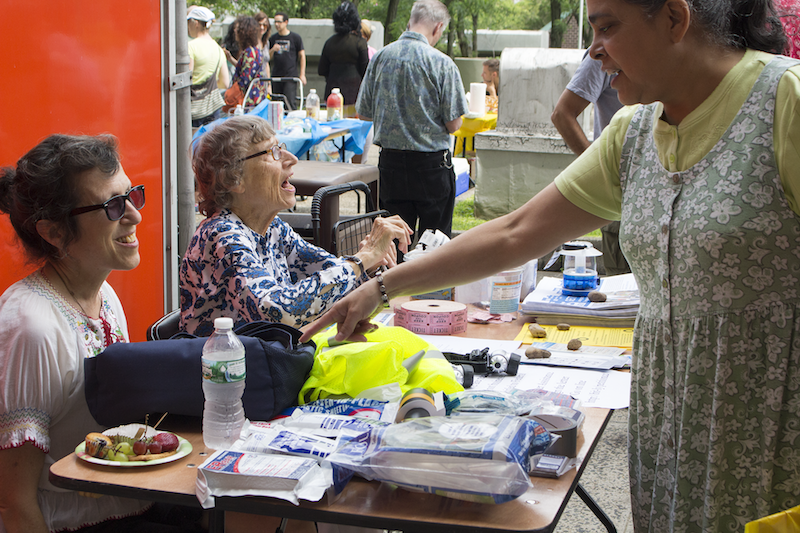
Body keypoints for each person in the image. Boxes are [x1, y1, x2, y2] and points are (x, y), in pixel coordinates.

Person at [303, 0, 800, 530]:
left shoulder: (782, 100)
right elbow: (516, 232)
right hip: (670, 415)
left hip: (768, 415)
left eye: (608, 27)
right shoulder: (634, 133)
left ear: (675, 19)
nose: (594, 49)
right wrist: (379, 289)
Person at [0, 134, 200, 532]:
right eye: (112, 205)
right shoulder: (31, 326)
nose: (135, 215)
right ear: (54, 232)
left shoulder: (104, 296)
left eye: (132, 195)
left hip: (130, 503)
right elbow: (13, 503)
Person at [179, 115, 412, 336]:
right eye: (273, 152)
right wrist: (363, 259)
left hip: (268, 365)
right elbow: (279, 311)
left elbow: (333, 281)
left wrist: (370, 266)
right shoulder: (222, 236)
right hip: (226, 374)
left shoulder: (273, 229)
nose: (292, 159)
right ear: (233, 179)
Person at [356, 0, 468, 240]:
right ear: (438, 28)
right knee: (433, 245)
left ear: (410, 21)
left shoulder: (380, 57)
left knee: (391, 244)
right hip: (431, 167)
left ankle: (390, 279)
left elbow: (364, 112)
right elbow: (454, 124)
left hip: (391, 165)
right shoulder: (442, 63)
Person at [551, 52, 630, 275]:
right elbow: (562, 114)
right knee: (622, 289)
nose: (595, 46)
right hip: (620, 192)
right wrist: (599, 168)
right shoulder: (603, 53)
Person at [318, 1, 369, 117]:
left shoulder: (329, 42)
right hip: (354, 97)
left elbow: (321, 70)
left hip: (331, 97)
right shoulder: (360, 43)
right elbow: (366, 71)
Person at [187, 6, 229, 128]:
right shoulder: (218, 49)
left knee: (193, 145)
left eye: (188, 22)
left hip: (193, 109)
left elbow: (187, 78)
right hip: (213, 108)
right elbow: (225, 83)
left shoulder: (191, 46)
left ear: (195, 23)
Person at [228, 16, 267, 111]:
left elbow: (245, 80)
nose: (235, 31)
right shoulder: (254, 50)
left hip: (249, 102)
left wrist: (230, 93)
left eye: (237, 29)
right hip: (255, 98)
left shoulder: (249, 52)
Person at [268, 12, 306, 110]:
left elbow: (302, 56)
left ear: (286, 22)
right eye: (275, 22)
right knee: (276, 103)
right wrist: (272, 50)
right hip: (276, 75)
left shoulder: (295, 38)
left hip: (290, 75)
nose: (277, 24)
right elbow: (267, 58)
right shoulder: (273, 38)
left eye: (279, 22)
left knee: (289, 101)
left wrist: (302, 74)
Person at [254, 11, 273, 87]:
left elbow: (266, 64)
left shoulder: (266, 43)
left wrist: (269, 85)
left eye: (264, 25)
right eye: (259, 24)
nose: (262, 27)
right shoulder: (250, 43)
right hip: (253, 82)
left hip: (264, 82)